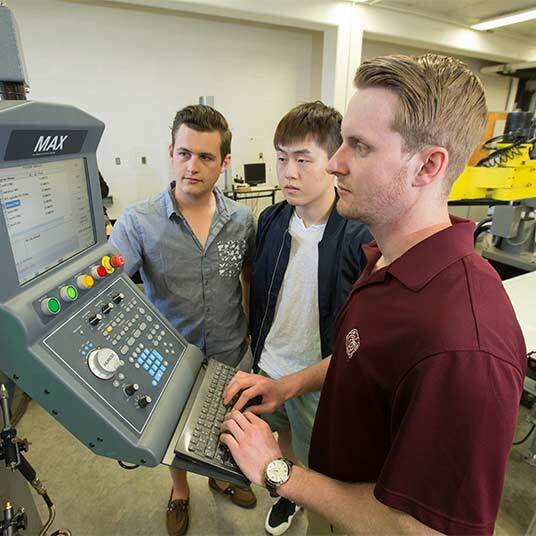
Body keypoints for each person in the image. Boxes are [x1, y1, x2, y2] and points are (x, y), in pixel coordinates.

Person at [220, 54, 527, 535]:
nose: (335, 163)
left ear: (428, 165)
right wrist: (288, 386)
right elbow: (358, 359)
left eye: (359, 146)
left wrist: (279, 473)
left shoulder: (464, 346)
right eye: (343, 141)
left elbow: (427, 530)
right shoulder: (385, 261)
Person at [109, 104, 257, 536]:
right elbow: (110, 287)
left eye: (206, 157)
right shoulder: (138, 222)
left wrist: (249, 328)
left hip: (230, 348)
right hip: (171, 355)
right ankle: (179, 489)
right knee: (173, 432)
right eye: (184, 153)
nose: (192, 166)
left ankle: (220, 476)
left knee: (226, 421)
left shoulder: (242, 220)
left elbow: (248, 275)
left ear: (224, 162)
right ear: (170, 152)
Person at [247, 101, 371, 535]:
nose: (289, 173)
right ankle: (287, 494)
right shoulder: (271, 219)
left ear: (333, 162)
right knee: (282, 442)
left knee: (321, 467)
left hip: (318, 379)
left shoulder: (357, 236)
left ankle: (314, 510)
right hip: (270, 366)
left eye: (303, 160)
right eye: (281, 158)